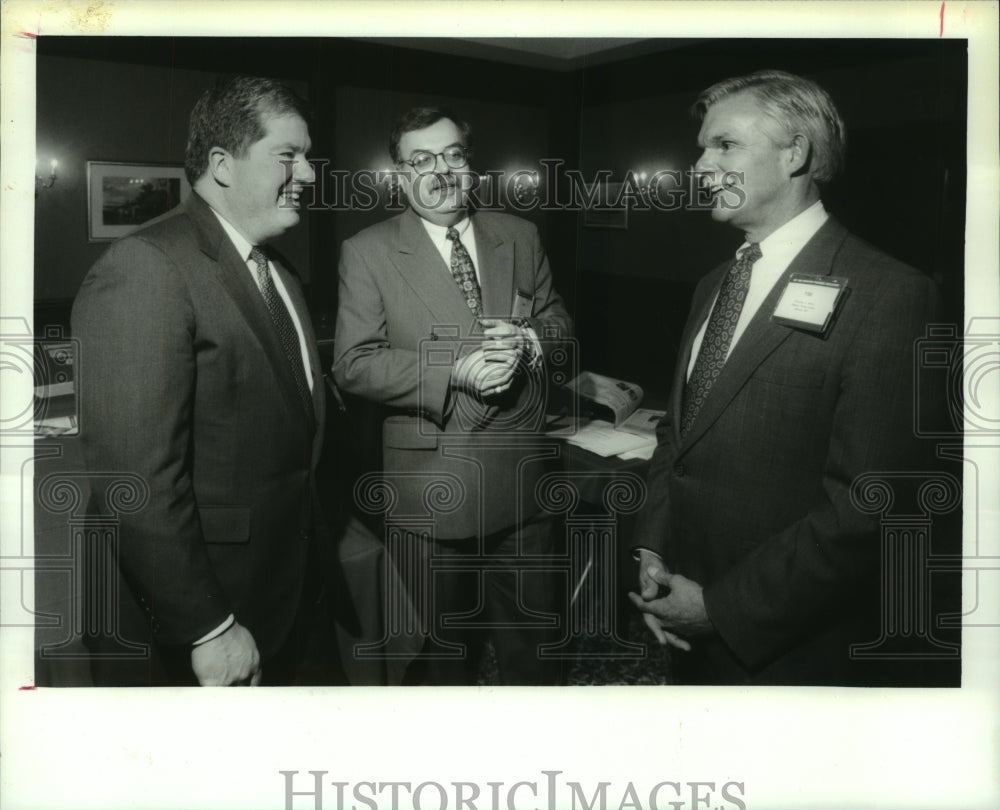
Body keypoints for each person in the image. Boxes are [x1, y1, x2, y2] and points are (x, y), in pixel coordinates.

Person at [629, 70, 943, 685]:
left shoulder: (891, 294)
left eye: (724, 146)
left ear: (794, 153)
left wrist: (720, 609)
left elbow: (868, 504)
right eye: (701, 148)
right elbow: (679, 434)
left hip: (789, 645)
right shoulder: (713, 284)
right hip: (683, 600)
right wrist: (652, 546)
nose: (699, 166)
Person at [73, 75, 336, 686]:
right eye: (288, 157)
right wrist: (209, 627)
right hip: (201, 621)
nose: (311, 175)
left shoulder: (279, 271)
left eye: (309, 157)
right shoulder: (145, 266)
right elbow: (133, 479)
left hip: (280, 592)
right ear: (222, 164)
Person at [333, 106, 573, 684]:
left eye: (453, 154)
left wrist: (533, 339)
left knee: (536, 654)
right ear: (399, 174)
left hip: (523, 488)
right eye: (421, 160)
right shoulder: (367, 250)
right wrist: (453, 372)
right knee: (442, 664)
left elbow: (560, 324)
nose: (441, 170)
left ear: (471, 163)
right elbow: (353, 364)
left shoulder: (519, 235)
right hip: (431, 496)